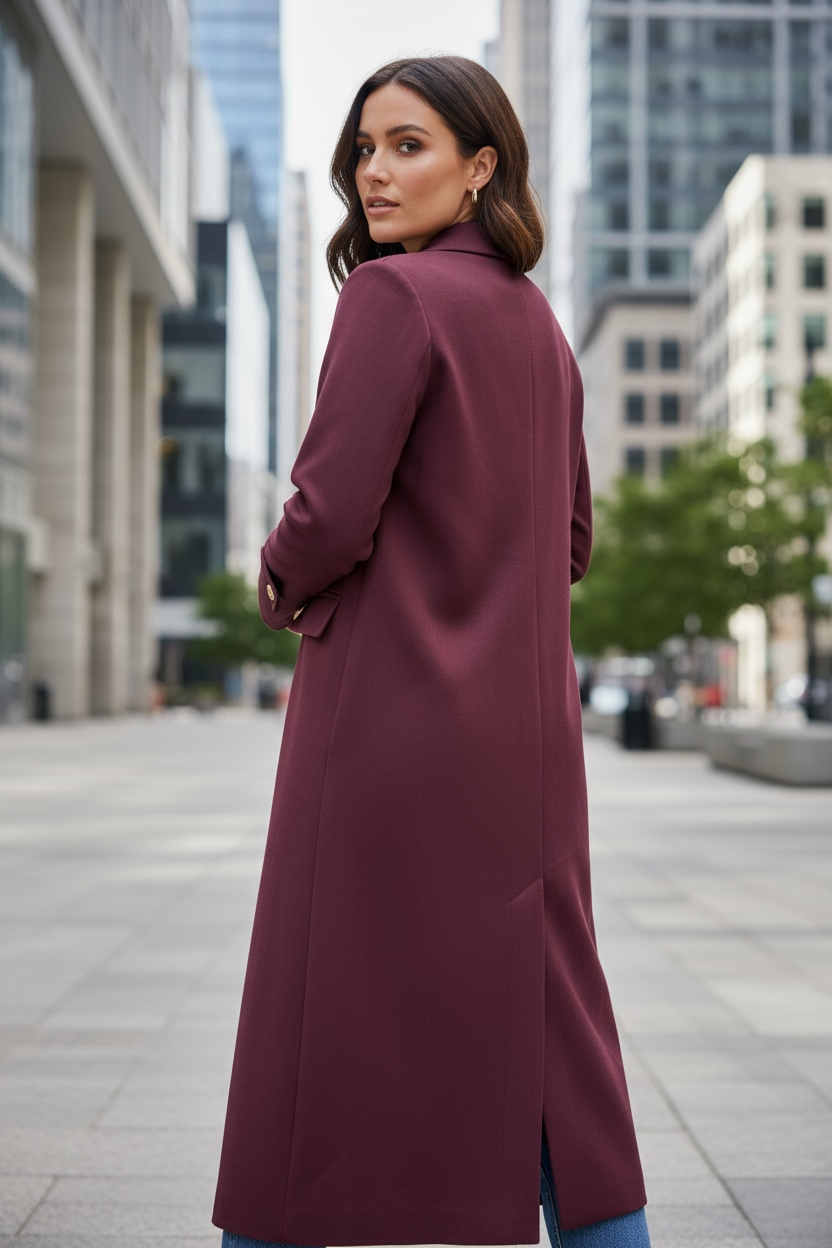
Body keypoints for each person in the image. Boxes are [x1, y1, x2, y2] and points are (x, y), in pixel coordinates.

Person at [213, 55, 651, 1248]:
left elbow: (328, 513)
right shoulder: (537, 323)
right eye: (363, 150)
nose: (375, 173)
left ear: (481, 164)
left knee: (315, 1030)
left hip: (386, 724)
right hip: (526, 738)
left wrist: (278, 578)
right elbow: (571, 538)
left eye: (408, 145)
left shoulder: (391, 300)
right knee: (556, 1035)